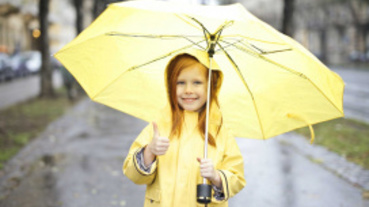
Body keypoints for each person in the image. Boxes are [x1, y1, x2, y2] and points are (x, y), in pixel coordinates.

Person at [123, 53, 246, 206]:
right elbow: (133, 174)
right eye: (180, 82)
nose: (188, 90)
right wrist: (149, 151)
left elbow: (237, 177)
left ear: (211, 86)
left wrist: (216, 177)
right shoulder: (159, 126)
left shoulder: (220, 132)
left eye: (197, 82)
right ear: (170, 86)